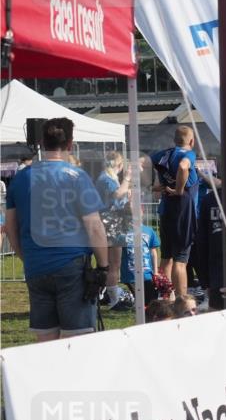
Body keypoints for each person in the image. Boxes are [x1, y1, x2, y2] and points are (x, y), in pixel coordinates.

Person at [4, 117, 109, 341]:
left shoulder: (21, 178)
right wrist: (103, 265)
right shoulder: (78, 177)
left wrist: (26, 256)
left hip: (36, 265)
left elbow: (11, 227)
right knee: (77, 340)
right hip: (71, 264)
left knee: (46, 341)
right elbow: (94, 226)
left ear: (42, 142)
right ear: (70, 144)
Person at [150, 126, 199, 298]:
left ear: (174, 140)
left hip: (166, 212)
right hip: (183, 214)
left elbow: (143, 162)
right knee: (180, 261)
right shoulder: (189, 155)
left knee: (166, 258)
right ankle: (181, 300)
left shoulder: (162, 154)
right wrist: (178, 190)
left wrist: (153, 186)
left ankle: (165, 299)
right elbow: (183, 167)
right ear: (192, 141)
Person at [95, 151, 133, 309]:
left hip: (111, 221)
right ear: (119, 165)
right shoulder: (107, 179)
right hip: (111, 223)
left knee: (110, 263)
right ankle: (113, 297)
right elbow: (117, 194)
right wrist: (128, 179)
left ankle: (107, 294)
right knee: (114, 263)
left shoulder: (106, 178)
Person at [120, 223, 161, 309]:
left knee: (151, 300)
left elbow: (153, 252)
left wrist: (156, 272)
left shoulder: (148, 230)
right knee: (143, 301)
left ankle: (143, 310)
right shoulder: (121, 231)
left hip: (147, 274)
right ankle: (140, 307)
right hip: (130, 274)